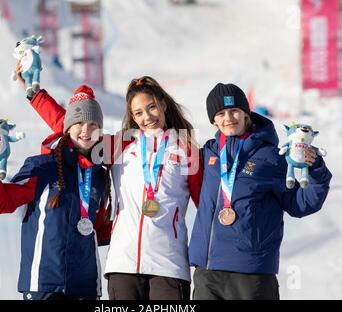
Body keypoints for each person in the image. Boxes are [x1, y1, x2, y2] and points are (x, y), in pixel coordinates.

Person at [14, 67, 203, 299]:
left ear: (163, 104)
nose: (147, 117)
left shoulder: (186, 150)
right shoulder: (122, 145)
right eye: (138, 113)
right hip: (123, 264)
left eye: (151, 107)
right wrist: (35, 95)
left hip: (169, 264)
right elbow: (74, 128)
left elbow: (206, 205)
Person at [188, 83, 332, 300]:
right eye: (221, 113)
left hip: (252, 274)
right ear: (213, 121)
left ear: (246, 113)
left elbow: (300, 203)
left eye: (235, 110)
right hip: (208, 273)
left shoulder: (272, 157)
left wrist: (316, 172)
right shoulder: (209, 153)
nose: (229, 117)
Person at [0, 85, 112, 300]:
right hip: (44, 284)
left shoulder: (98, 176)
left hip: (86, 286)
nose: (86, 130)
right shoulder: (42, 167)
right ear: (67, 127)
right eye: (78, 122)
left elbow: (96, 230)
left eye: (93, 124)